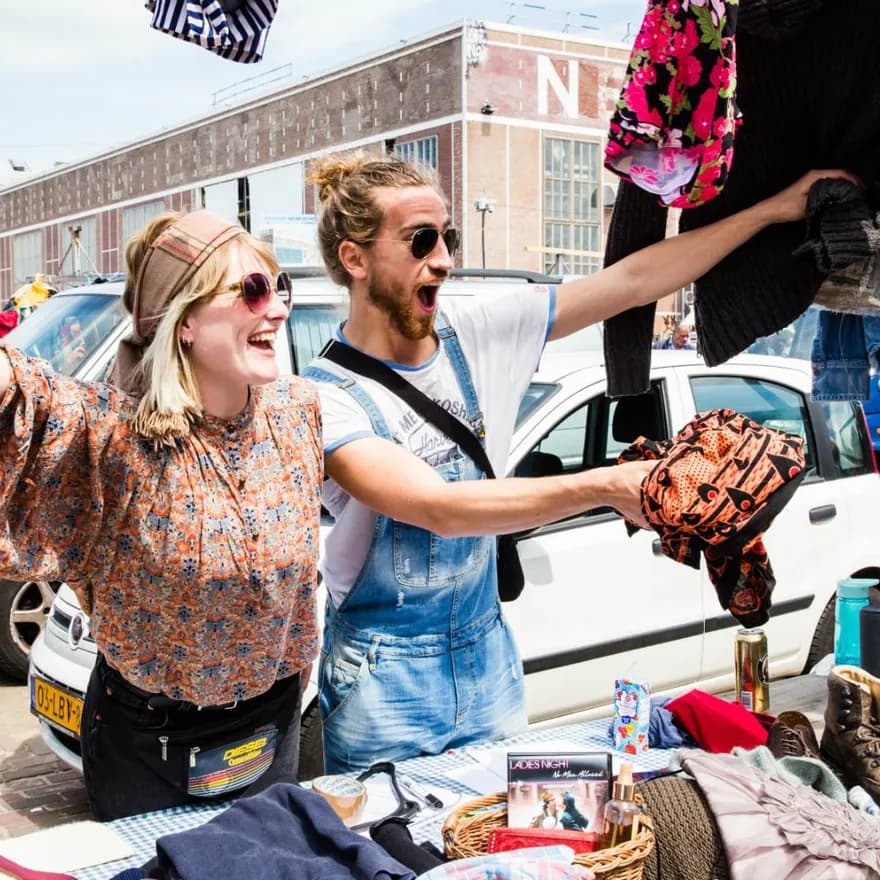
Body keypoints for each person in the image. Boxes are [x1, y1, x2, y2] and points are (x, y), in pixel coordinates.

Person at [304, 152, 855, 774]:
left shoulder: (477, 328)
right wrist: (610, 485)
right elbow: (440, 508)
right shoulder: (325, 396)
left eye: (448, 237)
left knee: (502, 849)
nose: (445, 259)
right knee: (388, 861)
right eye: (420, 241)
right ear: (355, 259)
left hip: (490, 661)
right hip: (384, 684)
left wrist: (776, 209)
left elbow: (634, 281)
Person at [0, 210, 322, 820]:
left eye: (278, 287)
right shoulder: (116, 438)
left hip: (273, 728)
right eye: (251, 290)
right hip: (148, 744)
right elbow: (23, 395)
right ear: (185, 323)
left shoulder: (299, 411)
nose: (276, 309)